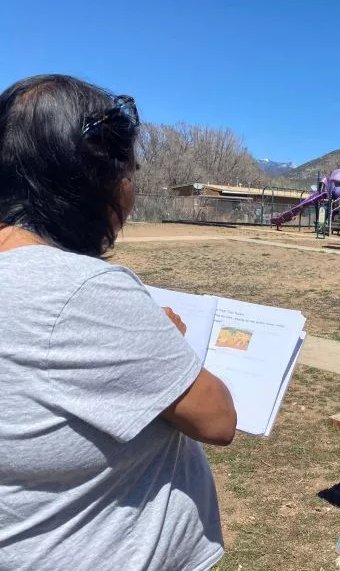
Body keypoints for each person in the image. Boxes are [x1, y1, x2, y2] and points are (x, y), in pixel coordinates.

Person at [0, 75, 237, 570]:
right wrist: (165, 343)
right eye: (128, 173)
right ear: (92, 181)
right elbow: (217, 420)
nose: (129, 192)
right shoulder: (84, 290)